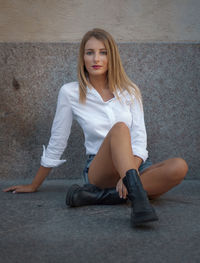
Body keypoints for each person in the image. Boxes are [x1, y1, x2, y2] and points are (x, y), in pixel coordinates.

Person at [3, 28, 188, 227]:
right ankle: (139, 203)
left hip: (136, 164)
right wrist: (34, 184)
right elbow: (57, 141)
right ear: (82, 57)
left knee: (179, 167)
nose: (96, 59)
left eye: (103, 52)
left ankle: (102, 196)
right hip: (100, 168)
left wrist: (129, 172)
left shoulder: (130, 90)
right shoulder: (70, 92)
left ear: (112, 57)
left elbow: (140, 139)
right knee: (120, 128)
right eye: (89, 52)